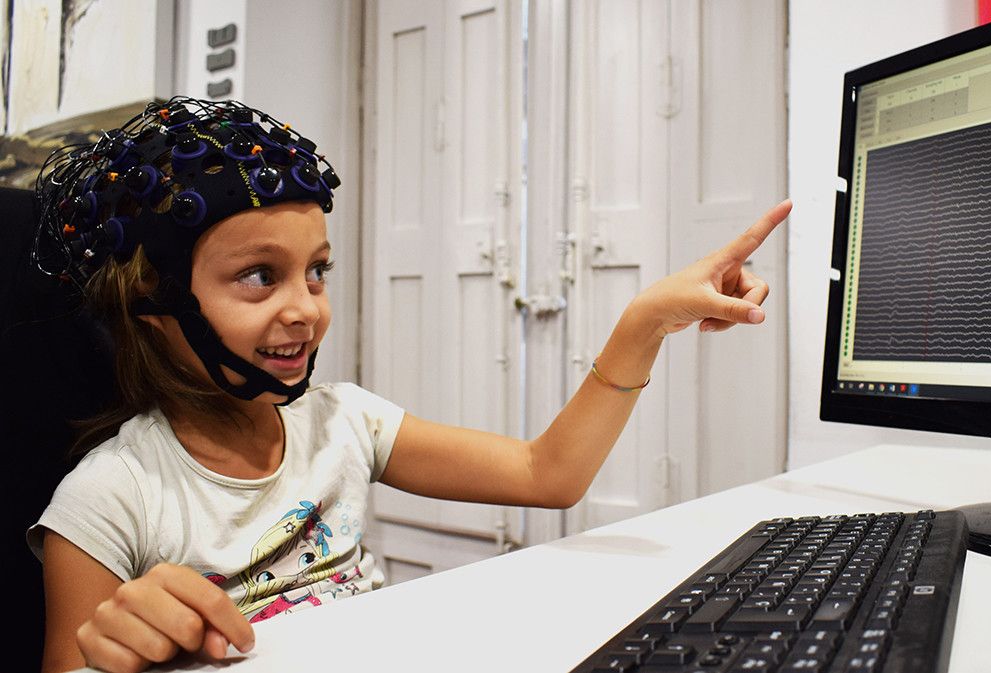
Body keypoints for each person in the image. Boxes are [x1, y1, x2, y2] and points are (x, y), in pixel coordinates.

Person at [26, 97, 791, 673]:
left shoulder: (344, 422)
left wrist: (644, 324)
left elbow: (547, 473)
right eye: (260, 276)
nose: (306, 307)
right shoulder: (107, 501)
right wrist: (114, 651)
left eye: (317, 270)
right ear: (151, 306)